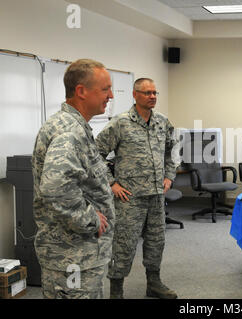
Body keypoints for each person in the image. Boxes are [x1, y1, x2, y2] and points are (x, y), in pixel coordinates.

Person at [31, 59, 115, 298]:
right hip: (73, 255)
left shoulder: (74, 125)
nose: (110, 96)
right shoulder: (69, 131)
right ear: (81, 91)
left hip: (79, 254)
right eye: (105, 89)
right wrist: (91, 219)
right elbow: (56, 188)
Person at [95, 78, 179, 299]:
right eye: (147, 93)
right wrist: (111, 183)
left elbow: (173, 150)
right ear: (135, 94)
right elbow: (95, 154)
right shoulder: (120, 123)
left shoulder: (162, 122)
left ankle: (154, 283)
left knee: (156, 242)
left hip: (156, 197)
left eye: (155, 93)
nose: (152, 96)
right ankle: (116, 291)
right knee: (123, 245)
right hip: (129, 199)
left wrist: (169, 176)